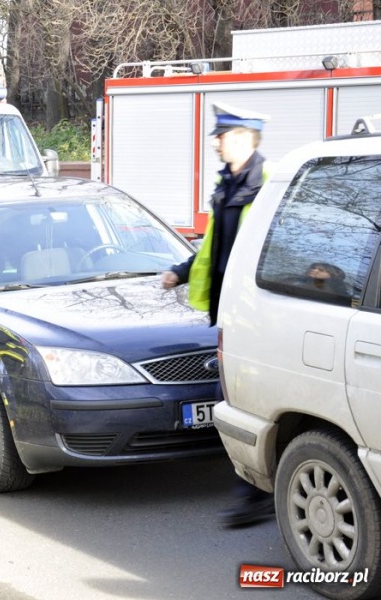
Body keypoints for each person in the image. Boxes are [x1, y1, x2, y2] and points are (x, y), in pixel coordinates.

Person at [161, 101, 274, 528]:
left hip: (259, 312)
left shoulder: (267, 181)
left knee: (246, 400)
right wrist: (181, 271)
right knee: (235, 399)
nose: (215, 143)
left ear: (244, 137)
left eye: (222, 136)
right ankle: (254, 489)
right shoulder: (228, 183)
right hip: (232, 313)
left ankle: (255, 494)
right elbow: (215, 247)